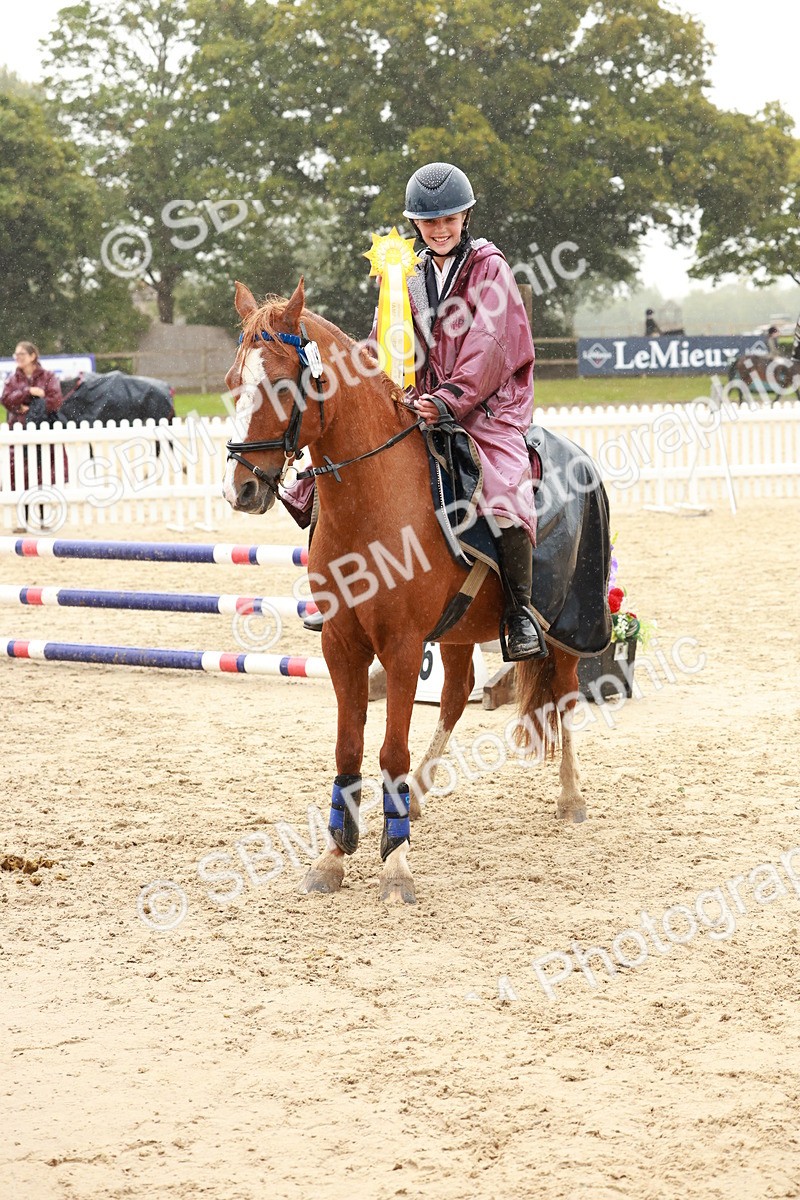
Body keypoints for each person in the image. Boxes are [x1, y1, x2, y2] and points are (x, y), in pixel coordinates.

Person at [284, 161, 546, 659]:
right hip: (419, 405)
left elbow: (489, 346)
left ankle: (519, 613)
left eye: (449, 220)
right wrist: (370, 386)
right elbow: (386, 340)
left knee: (506, 488)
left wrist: (449, 400)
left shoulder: (490, 268)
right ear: (416, 225)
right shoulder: (410, 274)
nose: (440, 230)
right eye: (429, 222)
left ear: (466, 217)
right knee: (331, 476)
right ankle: (332, 591)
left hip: (485, 409)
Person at [2, 341, 64, 529]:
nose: (18, 358)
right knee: (20, 477)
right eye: (16, 355)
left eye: (22, 354)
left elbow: (54, 400)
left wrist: (31, 408)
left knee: (42, 476)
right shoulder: (13, 379)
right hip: (19, 433)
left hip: (41, 432)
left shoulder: (48, 376)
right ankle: (24, 521)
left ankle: (43, 519)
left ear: (32, 356)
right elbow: (6, 400)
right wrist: (28, 392)